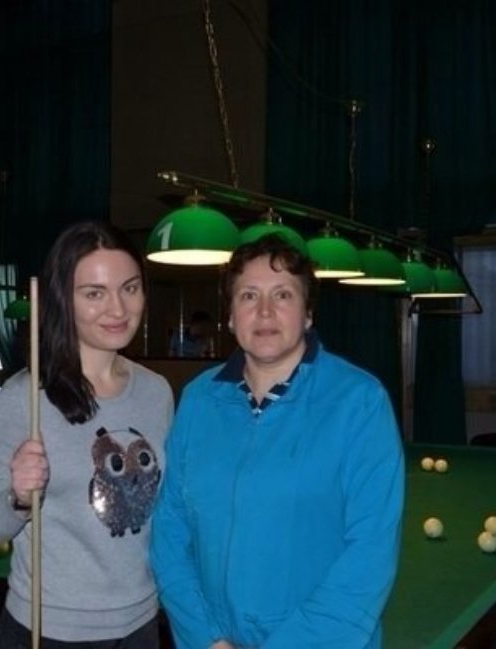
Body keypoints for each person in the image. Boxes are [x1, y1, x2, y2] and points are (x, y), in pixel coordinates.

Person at [149, 234, 405, 649]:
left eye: (283, 294)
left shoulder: (359, 402)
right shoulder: (198, 400)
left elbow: (370, 552)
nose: (265, 310)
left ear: (308, 314)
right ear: (231, 317)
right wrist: (205, 637)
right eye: (249, 295)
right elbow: (169, 530)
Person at [0, 220, 174, 648]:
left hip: (141, 623)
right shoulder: (25, 398)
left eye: (129, 288)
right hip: (50, 631)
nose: (118, 308)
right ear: (62, 300)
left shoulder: (157, 392)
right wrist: (18, 500)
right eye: (94, 293)